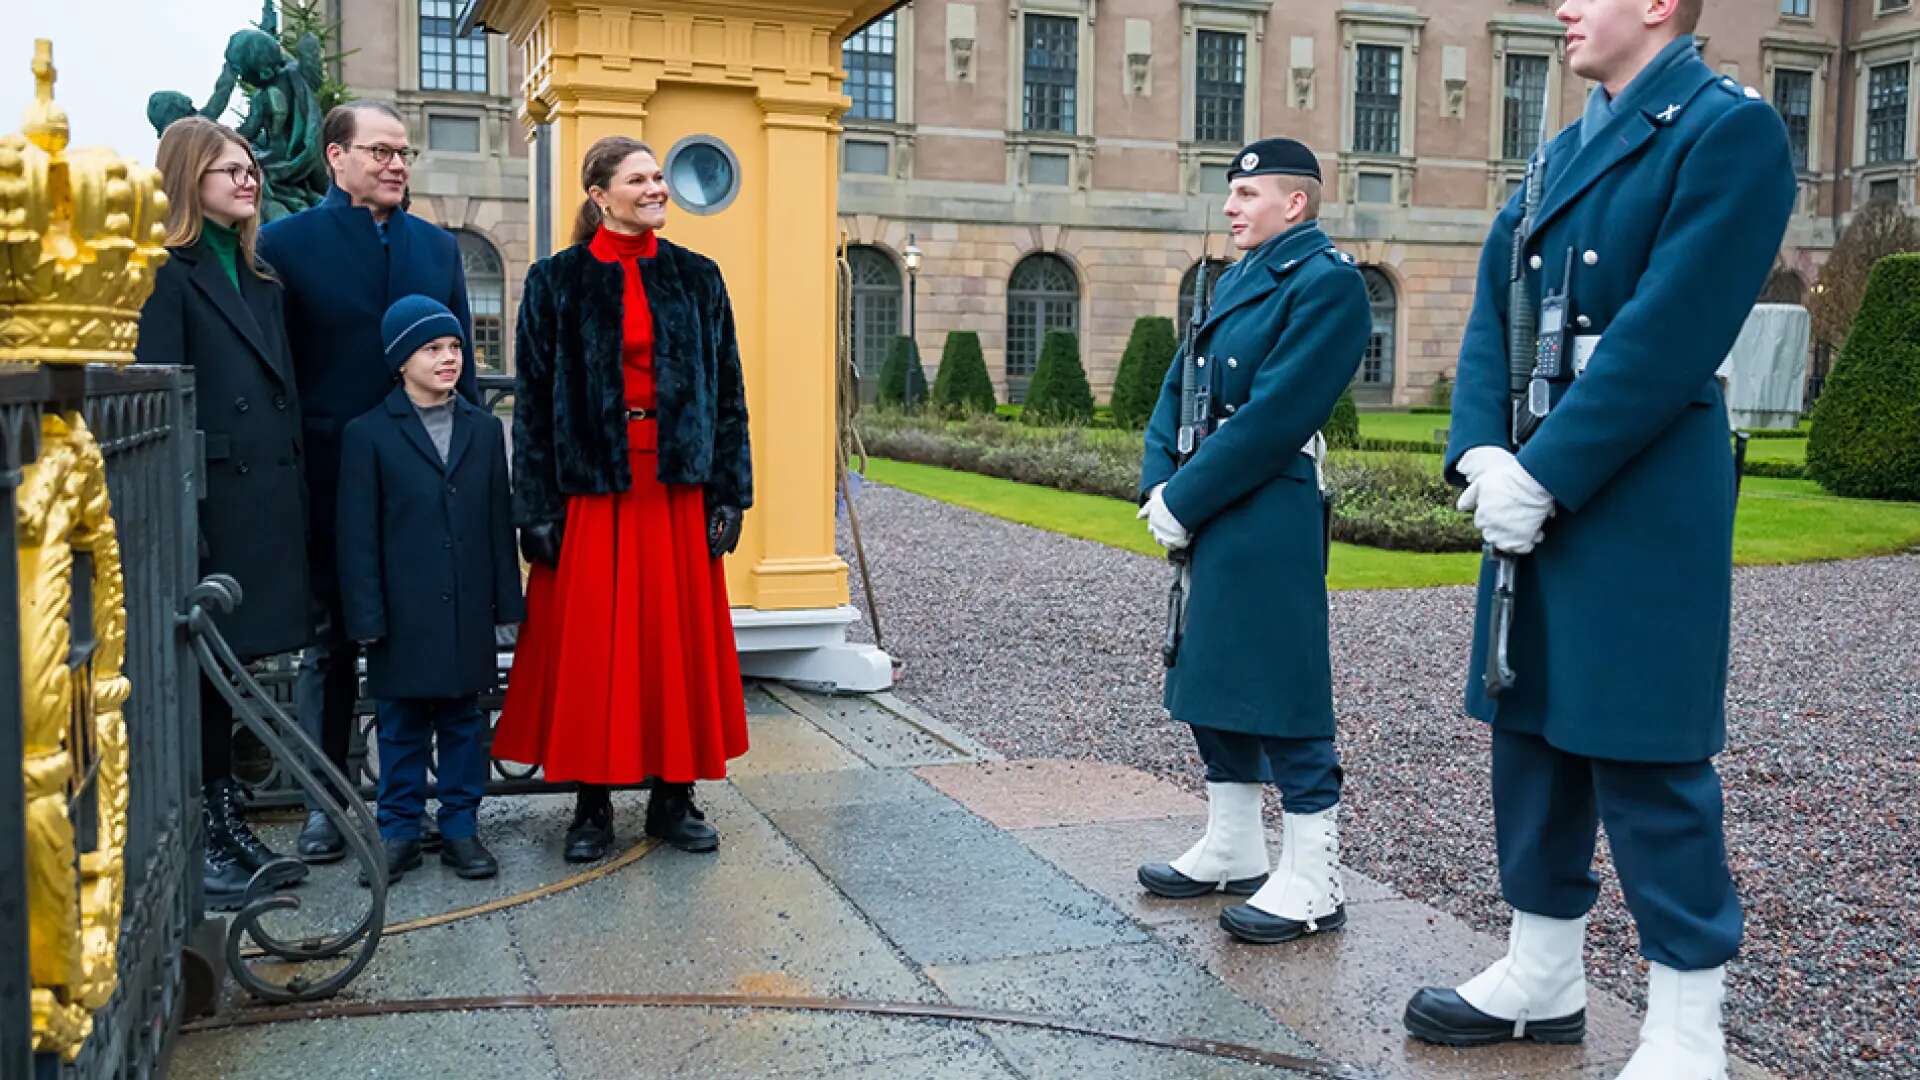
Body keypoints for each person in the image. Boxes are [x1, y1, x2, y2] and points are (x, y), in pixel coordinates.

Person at [1400, 1, 1796, 1076]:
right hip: (1529, 480)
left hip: (1637, 493)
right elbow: (1494, 309)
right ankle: (1543, 971)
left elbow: (1672, 332)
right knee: (1529, 729)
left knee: (1647, 748)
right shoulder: (1564, 148)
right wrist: (1481, 450)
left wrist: (1547, 470)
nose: (1563, 6)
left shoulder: (1727, 130)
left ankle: (1686, 1023)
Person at [1133, 138, 1371, 945]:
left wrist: (1188, 493)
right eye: (1231, 194)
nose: (1231, 206)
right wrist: (1158, 483)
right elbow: (1177, 387)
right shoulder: (1232, 279)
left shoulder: (1326, 283)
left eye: (1248, 194)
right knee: (1209, 671)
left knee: (1281, 684)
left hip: (1267, 505)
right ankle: (1234, 843)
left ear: (1294, 204)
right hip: (1211, 503)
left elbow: (1277, 414)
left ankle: (1314, 877)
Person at [492, 135, 752, 861]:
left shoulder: (699, 278)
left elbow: (728, 390)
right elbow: (534, 406)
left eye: (659, 176)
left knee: (674, 646)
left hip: (676, 488)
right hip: (593, 489)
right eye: (639, 179)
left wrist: (730, 492)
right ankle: (592, 807)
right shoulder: (555, 282)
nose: (658, 188)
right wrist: (533, 510)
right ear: (600, 194)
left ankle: (674, 798)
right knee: (593, 651)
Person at [259, 100, 478, 864]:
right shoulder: (283, 246)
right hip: (329, 485)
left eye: (404, 153)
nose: (396, 164)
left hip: (431, 490)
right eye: (380, 151)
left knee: (424, 643)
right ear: (336, 157)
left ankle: (413, 805)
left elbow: (466, 375)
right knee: (331, 648)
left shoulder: (435, 246)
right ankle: (326, 803)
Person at [137, 116, 313, 909]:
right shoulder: (164, 273)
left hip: (263, 503)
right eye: (227, 170)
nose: (248, 180)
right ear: (186, 180)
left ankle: (230, 817)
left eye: (249, 169)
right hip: (206, 506)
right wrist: (186, 520)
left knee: (233, 672)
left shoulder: (260, 278)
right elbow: (161, 408)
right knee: (203, 674)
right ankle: (208, 832)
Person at [335, 296, 523, 884]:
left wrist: (506, 607)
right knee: (400, 724)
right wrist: (366, 614)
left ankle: (462, 827)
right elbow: (357, 534)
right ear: (400, 361)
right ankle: (399, 832)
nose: (449, 359)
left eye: (455, 348)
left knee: (465, 721)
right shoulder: (367, 434)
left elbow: (498, 523)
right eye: (432, 349)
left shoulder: (484, 430)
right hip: (403, 611)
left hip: (467, 608)